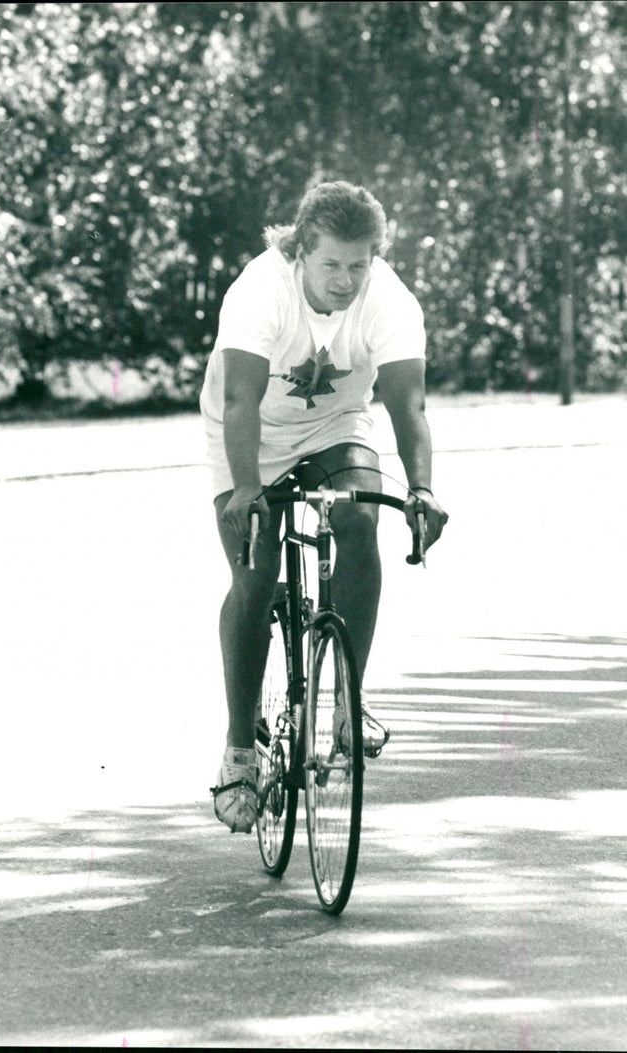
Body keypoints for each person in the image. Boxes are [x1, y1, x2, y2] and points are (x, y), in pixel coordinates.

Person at [199, 180, 448, 833]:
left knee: (362, 517)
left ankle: (347, 701)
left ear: (376, 256)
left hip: (337, 426)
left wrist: (420, 488)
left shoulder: (388, 300)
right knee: (254, 572)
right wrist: (247, 488)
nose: (345, 279)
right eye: (331, 263)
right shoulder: (260, 291)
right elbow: (239, 402)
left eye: (358, 264)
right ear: (302, 248)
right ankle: (238, 751)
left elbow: (408, 406)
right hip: (249, 431)